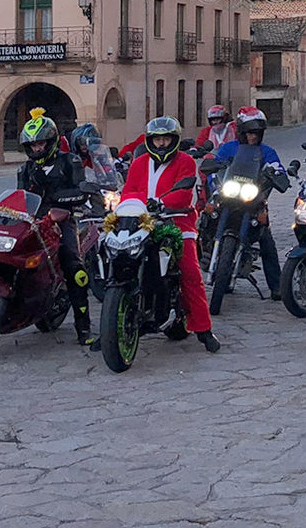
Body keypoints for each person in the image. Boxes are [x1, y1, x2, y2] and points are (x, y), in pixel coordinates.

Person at [117, 115, 220, 351]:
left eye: (166, 139)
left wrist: (160, 203)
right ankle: (112, 325)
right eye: (157, 139)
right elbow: (128, 191)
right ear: (150, 141)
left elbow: (184, 194)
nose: (161, 144)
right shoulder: (139, 163)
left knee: (190, 272)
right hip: (140, 222)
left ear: (174, 140)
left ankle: (203, 329)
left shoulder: (186, 162)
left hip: (177, 222)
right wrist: (133, 206)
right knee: (119, 260)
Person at [13, 110, 97, 348]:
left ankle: (83, 327)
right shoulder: (25, 169)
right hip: (33, 223)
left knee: (75, 270)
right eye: (32, 145)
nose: (36, 148)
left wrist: (56, 198)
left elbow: (81, 191)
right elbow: (19, 198)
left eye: (40, 143)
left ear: (50, 142)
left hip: (62, 221)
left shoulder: (70, 161)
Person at [206, 107, 286, 300]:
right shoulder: (229, 148)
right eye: (249, 133)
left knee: (266, 239)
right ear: (241, 132)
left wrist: (278, 175)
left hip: (253, 200)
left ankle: (276, 285)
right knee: (206, 221)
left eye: (257, 133)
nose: (253, 137)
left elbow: (277, 168)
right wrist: (213, 177)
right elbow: (215, 168)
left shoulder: (266, 152)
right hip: (228, 197)